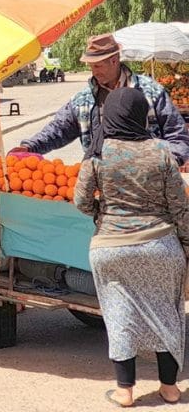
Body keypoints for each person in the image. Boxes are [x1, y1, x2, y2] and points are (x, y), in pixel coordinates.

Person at [74, 87, 189, 407]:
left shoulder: (97, 153)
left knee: (119, 314)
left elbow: (81, 201)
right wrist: (187, 246)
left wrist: (102, 214)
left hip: (110, 250)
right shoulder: (161, 152)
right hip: (159, 247)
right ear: (142, 115)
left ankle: (125, 390)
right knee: (167, 314)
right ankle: (169, 388)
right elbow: (180, 208)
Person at [14, 33, 189, 165]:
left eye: (98, 65)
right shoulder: (83, 100)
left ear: (114, 60)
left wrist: (159, 165)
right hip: (101, 183)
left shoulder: (151, 92)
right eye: (91, 67)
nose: (94, 72)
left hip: (149, 185)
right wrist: (30, 147)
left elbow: (179, 139)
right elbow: (57, 130)